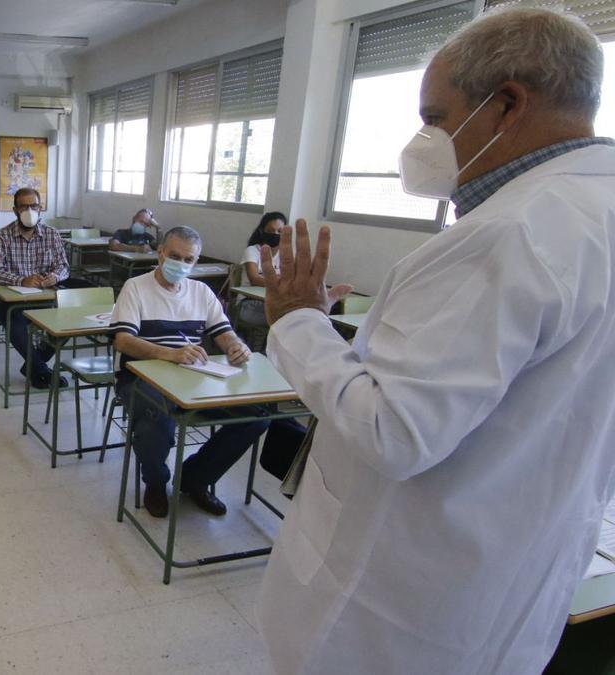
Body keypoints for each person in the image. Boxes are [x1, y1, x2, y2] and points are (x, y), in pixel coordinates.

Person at [254, 9, 615, 675]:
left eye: (435, 116)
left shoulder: (511, 232)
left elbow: (393, 430)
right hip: (510, 580)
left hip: (400, 613)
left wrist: (298, 321)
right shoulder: (591, 212)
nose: (423, 139)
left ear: (507, 103)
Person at [110, 226, 255, 518]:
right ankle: (155, 482)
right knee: (158, 418)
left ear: (196, 261)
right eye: (174, 256)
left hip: (192, 380)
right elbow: (122, 340)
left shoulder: (201, 292)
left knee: (255, 416)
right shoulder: (136, 287)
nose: (181, 264)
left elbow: (223, 331)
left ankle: (195, 478)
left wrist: (235, 346)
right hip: (140, 378)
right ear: (161, 253)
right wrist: (169, 354)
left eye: (189, 259)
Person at [0, 187, 70, 389]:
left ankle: (33, 366)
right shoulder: (2, 236)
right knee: (14, 322)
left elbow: (64, 266)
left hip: (46, 297)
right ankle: (41, 371)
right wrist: (22, 280)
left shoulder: (52, 235)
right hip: (13, 301)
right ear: (15, 210)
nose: (29, 210)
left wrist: (55, 276)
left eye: (33, 205)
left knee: (69, 322)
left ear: (40, 208)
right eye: (24, 206)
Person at [236, 212, 287, 327]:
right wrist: (280, 284)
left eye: (279, 231)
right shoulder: (252, 251)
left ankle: (259, 341)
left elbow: (289, 280)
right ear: (262, 231)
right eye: (270, 231)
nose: (275, 234)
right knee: (285, 321)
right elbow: (254, 279)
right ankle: (259, 341)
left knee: (294, 317)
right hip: (249, 303)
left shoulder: (284, 254)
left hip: (274, 302)